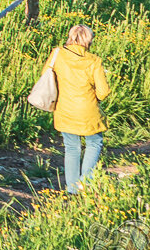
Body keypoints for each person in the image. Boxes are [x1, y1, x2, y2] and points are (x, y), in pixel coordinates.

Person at [45, 24, 111, 191]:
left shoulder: (57, 54)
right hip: (88, 110)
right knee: (94, 143)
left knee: (71, 147)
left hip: (64, 109)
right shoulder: (94, 61)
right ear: (88, 40)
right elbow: (103, 92)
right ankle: (85, 182)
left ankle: (73, 188)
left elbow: (46, 76)